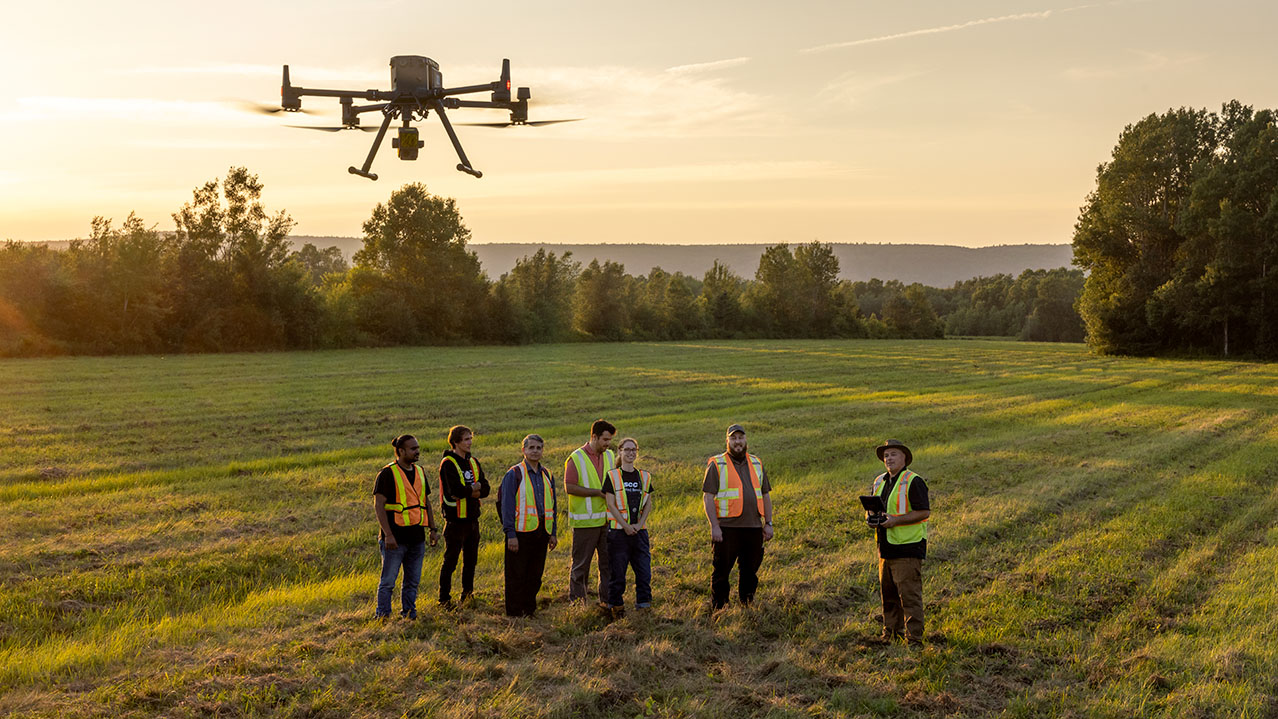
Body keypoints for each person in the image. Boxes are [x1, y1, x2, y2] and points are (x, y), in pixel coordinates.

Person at [866, 439, 931, 645]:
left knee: (909, 596)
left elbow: (924, 512)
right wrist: (870, 518)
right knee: (888, 595)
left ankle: (914, 640)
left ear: (904, 458)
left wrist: (895, 521)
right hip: (884, 547)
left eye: (893, 454)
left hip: (908, 548)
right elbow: (873, 508)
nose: (889, 458)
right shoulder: (879, 481)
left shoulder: (914, 481)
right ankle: (891, 634)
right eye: (886, 455)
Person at [702, 423, 773, 610]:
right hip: (727, 528)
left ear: (746, 439)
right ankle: (720, 608)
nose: (738, 442)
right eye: (733, 438)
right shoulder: (718, 464)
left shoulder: (757, 463)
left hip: (753, 526)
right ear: (727, 441)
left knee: (750, 570)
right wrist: (714, 526)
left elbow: (765, 495)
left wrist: (769, 523)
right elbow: (708, 497)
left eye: (740, 438)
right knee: (722, 570)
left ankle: (747, 603)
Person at [372, 434, 439, 620]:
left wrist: (433, 529)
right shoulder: (387, 474)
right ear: (401, 451)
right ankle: (383, 617)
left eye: (418, 448)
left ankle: (409, 615)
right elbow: (379, 506)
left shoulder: (420, 471)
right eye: (413, 449)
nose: (417, 451)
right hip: (395, 539)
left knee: (412, 582)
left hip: (417, 538)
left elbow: (426, 502)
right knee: (387, 583)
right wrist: (388, 535)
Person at [500, 434, 559, 617]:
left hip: (541, 532)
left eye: (538, 448)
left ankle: (529, 609)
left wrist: (553, 532)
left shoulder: (547, 474)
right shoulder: (514, 474)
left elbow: (553, 505)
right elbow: (506, 506)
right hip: (520, 533)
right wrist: (510, 534)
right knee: (516, 575)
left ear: (542, 450)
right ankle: (514, 613)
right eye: (531, 448)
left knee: (535, 575)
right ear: (523, 450)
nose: (535, 451)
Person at [564, 419, 616, 608]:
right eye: (605, 439)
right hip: (585, 524)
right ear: (594, 437)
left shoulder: (610, 455)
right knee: (581, 567)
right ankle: (578, 605)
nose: (608, 443)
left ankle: (608, 602)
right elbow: (569, 487)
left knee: (608, 564)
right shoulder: (575, 458)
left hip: (607, 520)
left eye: (609, 440)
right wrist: (596, 492)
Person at [437, 425, 490, 609]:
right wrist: (473, 489)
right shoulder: (448, 463)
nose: (469, 442)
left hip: (472, 521)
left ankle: (467, 596)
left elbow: (486, 489)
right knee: (450, 562)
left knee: (471, 562)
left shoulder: (473, 462)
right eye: (466, 439)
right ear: (455, 442)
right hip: (455, 522)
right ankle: (444, 599)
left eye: (470, 439)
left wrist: (473, 491)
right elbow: (455, 491)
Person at [603, 437, 655, 618]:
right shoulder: (612, 476)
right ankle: (616, 607)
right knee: (617, 574)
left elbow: (648, 503)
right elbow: (610, 504)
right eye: (627, 449)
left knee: (644, 572)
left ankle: (644, 605)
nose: (631, 453)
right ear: (620, 452)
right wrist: (625, 526)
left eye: (634, 450)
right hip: (618, 533)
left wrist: (639, 525)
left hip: (639, 533)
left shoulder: (645, 476)